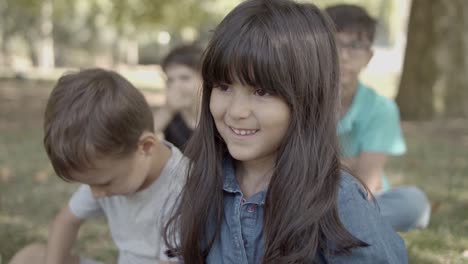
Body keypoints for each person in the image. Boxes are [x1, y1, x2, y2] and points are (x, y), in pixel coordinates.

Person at [163, 0, 408, 263]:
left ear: (307, 96)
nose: (236, 111)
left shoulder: (339, 200)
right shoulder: (203, 182)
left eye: (261, 91)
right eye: (223, 86)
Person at [9, 69, 186, 264]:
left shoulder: (182, 189)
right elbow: (65, 222)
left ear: (145, 147)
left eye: (104, 183)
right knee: (30, 258)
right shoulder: (108, 172)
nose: (96, 194)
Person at [324, 4, 430, 232]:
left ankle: (330, 228)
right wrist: (349, 164)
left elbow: (366, 183)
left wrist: (320, 165)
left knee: (414, 203)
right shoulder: (301, 98)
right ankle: (337, 229)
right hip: (307, 197)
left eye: (355, 46)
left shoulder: (381, 109)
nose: (343, 56)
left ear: (369, 56)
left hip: (363, 199)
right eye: (335, 43)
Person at [153, 45, 203, 150]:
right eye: (170, 80)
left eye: (185, 78)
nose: (175, 86)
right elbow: (143, 138)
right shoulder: (170, 115)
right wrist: (167, 110)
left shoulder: (215, 115)